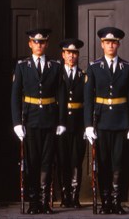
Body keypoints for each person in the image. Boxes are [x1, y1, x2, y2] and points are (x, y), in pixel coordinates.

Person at [11, 28, 67, 214]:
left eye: (42, 42)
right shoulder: (22, 66)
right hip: (31, 119)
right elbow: (15, 95)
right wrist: (17, 123)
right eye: (36, 42)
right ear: (30, 44)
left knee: (47, 161)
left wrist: (61, 121)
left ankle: (45, 202)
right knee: (32, 161)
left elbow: (61, 94)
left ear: (47, 44)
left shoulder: (55, 66)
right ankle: (34, 202)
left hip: (49, 119)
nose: (39, 45)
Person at [84, 27, 129, 215]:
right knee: (103, 162)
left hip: (121, 121)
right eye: (107, 42)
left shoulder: (128, 67)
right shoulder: (93, 67)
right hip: (101, 122)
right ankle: (105, 200)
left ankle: (116, 200)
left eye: (114, 42)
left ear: (118, 44)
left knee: (118, 162)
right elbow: (88, 99)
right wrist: (88, 126)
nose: (111, 45)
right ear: (101, 44)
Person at [56, 39, 86, 208]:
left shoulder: (84, 76)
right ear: (63, 55)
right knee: (62, 161)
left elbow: (87, 102)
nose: (71, 56)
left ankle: (75, 196)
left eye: (74, 53)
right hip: (61, 125)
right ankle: (64, 196)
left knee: (76, 161)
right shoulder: (57, 74)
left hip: (78, 125)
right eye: (68, 53)